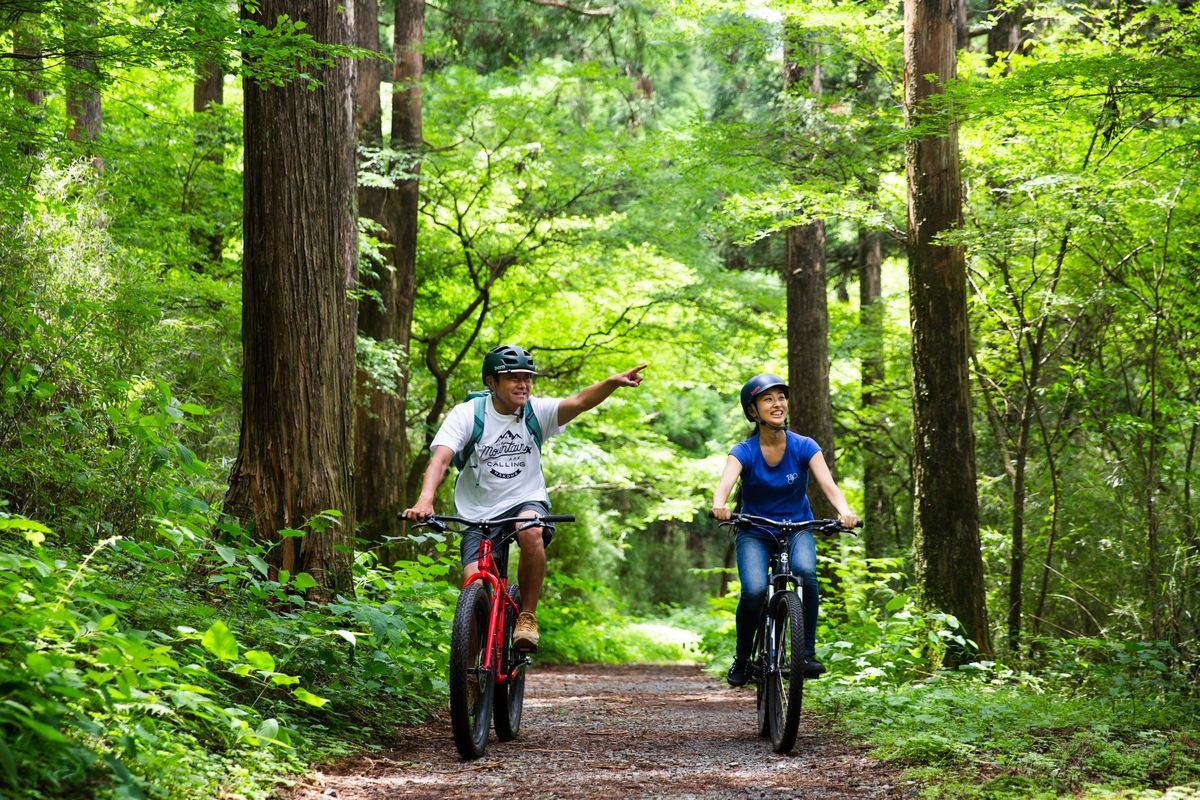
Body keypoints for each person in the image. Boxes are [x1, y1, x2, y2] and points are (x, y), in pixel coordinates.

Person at [403, 344, 647, 651]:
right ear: (491, 382)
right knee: (476, 586)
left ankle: (527, 617)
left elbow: (581, 401)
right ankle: (470, 670)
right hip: (476, 512)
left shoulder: (537, 411)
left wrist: (612, 382)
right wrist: (425, 500)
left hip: (525, 499)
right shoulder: (468, 414)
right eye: (512, 378)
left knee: (530, 528)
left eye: (527, 377)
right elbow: (439, 460)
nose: (523, 384)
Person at [711, 373, 859, 687]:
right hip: (754, 530)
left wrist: (844, 512)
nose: (778, 404)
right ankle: (742, 658)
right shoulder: (744, 451)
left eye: (781, 397)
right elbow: (724, 483)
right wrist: (720, 504)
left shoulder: (805, 446)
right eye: (768, 399)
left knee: (805, 571)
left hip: (797, 527)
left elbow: (828, 485)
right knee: (752, 590)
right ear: (753, 411)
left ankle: (805, 653)